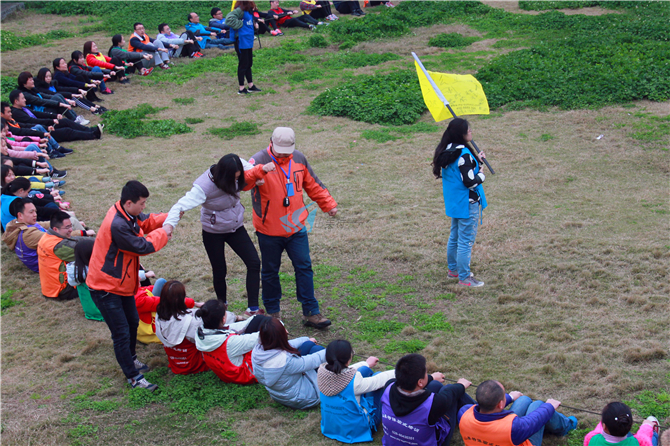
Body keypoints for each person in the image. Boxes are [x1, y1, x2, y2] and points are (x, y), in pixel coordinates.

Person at [248, 127, 337, 328]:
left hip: (296, 228)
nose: (283, 155)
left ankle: (311, 312)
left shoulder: (299, 159)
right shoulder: (257, 160)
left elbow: (313, 184)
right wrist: (258, 172)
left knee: (304, 267)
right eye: (280, 150)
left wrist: (328, 204)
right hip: (268, 230)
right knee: (270, 271)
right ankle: (272, 314)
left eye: (287, 151)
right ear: (270, 142)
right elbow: (243, 184)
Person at [86, 180, 171, 391]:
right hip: (105, 287)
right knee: (121, 331)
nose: (144, 207)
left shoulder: (126, 213)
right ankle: (133, 377)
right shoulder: (118, 225)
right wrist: (164, 232)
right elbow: (142, 246)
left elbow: (146, 221)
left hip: (122, 284)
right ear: (128, 202)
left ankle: (131, 358)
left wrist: (169, 217)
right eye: (141, 203)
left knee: (132, 322)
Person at [164, 154, 273, 317]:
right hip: (213, 231)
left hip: (235, 226)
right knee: (219, 269)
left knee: (254, 262)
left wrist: (258, 176)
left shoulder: (238, 166)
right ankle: (222, 307)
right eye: (235, 178)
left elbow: (250, 170)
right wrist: (168, 225)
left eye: (238, 177)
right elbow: (180, 205)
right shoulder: (204, 187)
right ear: (224, 175)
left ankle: (252, 309)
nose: (237, 181)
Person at [431, 118, 487, 287]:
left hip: (454, 202)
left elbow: (460, 170)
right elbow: (469, 182)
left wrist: (477, 161)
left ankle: (453, 270)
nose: (471, 132)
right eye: (469, 130)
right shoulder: (464, 154)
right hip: (466, 203)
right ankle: (464, 277)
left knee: (455, 237)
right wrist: (482, 175)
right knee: (465, 241)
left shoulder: (448, 150)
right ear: (461, 134)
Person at [381, 354, 475, 446]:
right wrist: (461, 385)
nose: (427, 374)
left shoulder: (388, 386)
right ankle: (482, 412)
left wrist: (432, 377)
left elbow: (419, 385)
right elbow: (450, 394)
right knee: (452, 389)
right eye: (426, 373)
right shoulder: (434, 404)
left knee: (435, 385)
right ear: (420, 382)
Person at [318, 339, 395, 443]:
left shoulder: (322, 373)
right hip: (356, 429)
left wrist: (366, 364)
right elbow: (378, 381)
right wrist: (400, 370)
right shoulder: (355, 382)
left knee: (364, 370)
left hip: (331, 426)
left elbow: (345, 371)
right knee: (377, 376)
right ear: (349, 358)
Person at [458, 380, 578, 446]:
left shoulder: (463, 413)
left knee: (523, 400)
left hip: (501, 436)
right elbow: (533, 421)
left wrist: (509, 397)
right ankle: (568, 425)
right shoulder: (513, 428)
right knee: (538, 405)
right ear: (500, 404)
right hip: (516, 438)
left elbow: (483, 406)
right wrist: (549, 406)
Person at [251, 317, 326, 409]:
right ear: (280, 336)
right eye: (283, 330)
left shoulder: (258, 352)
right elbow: (313, 360)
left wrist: (306, 339)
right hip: (304, 398)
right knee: (317, 350)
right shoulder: (285, 361)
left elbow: (287, 345)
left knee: (308, 344)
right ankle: (336, 380)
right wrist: (334, 349)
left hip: (280, 394)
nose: (286, 331)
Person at [194, 299, 266, 384]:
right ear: (224, 319)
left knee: (258, 319)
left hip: (226, 372)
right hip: (246, 375)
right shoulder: (229, 342)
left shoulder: (200, 334)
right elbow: (259, 337)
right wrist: (278, 326)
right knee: (267, 339)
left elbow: (232, 327)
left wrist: (254, 319)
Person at [37, 211, 95, 300]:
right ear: (56, 229)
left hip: (49, 288)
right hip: (63, 290)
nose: (71, 230)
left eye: (71, 226)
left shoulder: (48, 236)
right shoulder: (58, 246)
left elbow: (74, 239)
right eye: (67, 227)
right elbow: (86, 252)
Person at [155, 280, 210, 375]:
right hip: (195, 364)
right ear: (181, 299)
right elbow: (205, 340)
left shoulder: (159, 316)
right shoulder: (188, 322)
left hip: (176, 363)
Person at [9, 91, 102, 143]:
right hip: (41, 131)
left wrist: (54, 116)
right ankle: (93, 135)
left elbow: (37, 114)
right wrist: (50, 122)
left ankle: (91, 130)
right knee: (66, 131)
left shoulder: (24, 108)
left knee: (65, 121)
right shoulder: (16, 113)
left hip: (44, 125)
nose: (25, 100)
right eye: (22, 98)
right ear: (16, 101)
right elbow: (32, 121)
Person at [1, 198, 48, 272]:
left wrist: (60, 220)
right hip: (48, 264)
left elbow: (44, 224)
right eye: (31, 212)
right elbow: (56, 238)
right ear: (20, 215)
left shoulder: (18, 224)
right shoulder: (28, 234)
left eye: (35, 211)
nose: (35, 215)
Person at [34, 68, 104, 115]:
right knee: (73, 97)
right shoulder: (41, 88)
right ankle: (92, 109)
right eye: (46, 77)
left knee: (75, 94)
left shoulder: (52, 84)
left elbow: (62, 89)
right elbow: (55, 94)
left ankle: (94, 106)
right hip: (54, 105)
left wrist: (77, 90)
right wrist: (70, 96)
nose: (49, 78)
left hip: (62, 99)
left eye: (49, 76)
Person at [584, 402, 660, 446]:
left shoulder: (593, 440)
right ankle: (655, 434)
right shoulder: (635, 443)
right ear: (630, 424)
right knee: (653, 437)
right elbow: (643, 438)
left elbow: (597, 432)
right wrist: (647, 426)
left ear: (604, 426)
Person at [17, 71, 81, 122]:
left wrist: (67, 100)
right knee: (56, 99)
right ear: (24, 83)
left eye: (32, 79)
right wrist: (59, 104)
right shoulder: (24, 94)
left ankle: (75, 117)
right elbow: (41, 101)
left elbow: (45, 96)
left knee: (57, 95)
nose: (33, 81)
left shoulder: (33, 89)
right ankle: (74, 119)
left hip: (44, 109)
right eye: (30, 80)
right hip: (41, 114)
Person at [66, 238, 104, 321]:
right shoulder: (96, 270)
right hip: (104, 311)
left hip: (90, 311)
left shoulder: (74, 270)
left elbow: (72, 283)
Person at [226, 1, 261, 95]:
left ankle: (251, 86)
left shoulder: (248, 10)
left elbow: (248, 21)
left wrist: (255, 24)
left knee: (249, 63)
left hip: (248, 40)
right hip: (241, 41)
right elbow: (229, 19)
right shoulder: (240, 10)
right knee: (243, 64)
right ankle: (241, 88)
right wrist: (240, 25)